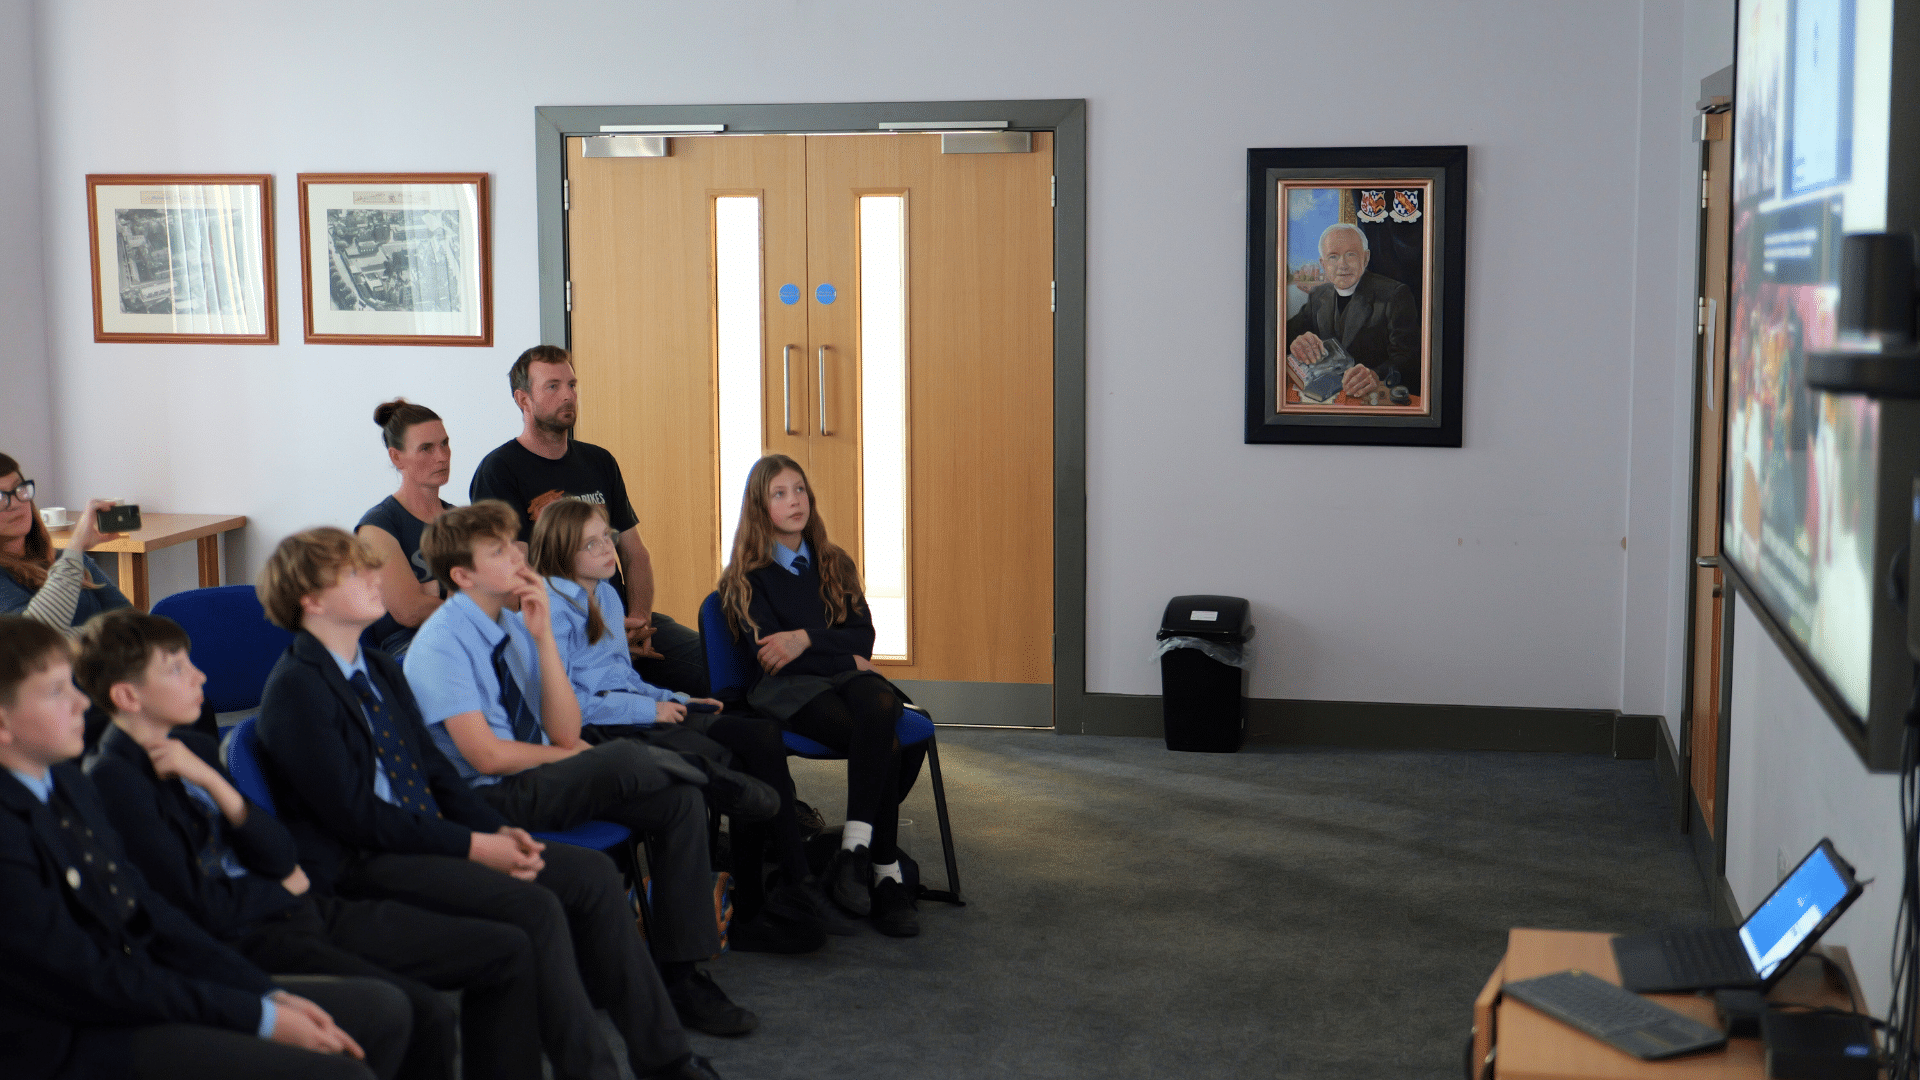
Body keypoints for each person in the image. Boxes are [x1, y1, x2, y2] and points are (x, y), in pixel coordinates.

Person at [252, 527, 725, 1080]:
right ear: (311, 600)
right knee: (536, 908)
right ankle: (592, 1071)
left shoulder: (377, 667)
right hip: (365, 866)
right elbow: (358, 819)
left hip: (426, 836)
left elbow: (436, 773)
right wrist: (473, 844)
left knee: (593, 874)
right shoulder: (296, 688)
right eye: (355, 573)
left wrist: (493, 832)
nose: (376, 578)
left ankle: (664, 1059)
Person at [78, 608, 541, 1080]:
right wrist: (284, 888)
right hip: (254, 935)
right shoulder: (115, 783)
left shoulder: (193, 750)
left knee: (504, 950)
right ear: (127, 695)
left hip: (302, 908)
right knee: (425, 1015)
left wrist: (217, 788)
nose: (199, 676)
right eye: (176, 669)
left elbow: (279, 852)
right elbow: (198, 907)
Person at [405, 502, 773, 1034]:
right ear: (463, 576)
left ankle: (681, 977)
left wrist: (544, 639)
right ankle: (713, 778)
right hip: (485, 797)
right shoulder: (441, 644)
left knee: (678, 802)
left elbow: (562, 726)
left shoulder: (514, 621)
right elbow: (487, 756)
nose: (518, 555)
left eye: (514, 543)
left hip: (533, 775)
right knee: (619, 756)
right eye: (499, 550)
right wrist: (572, 756)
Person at [0, 615, 410, 1080]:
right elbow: (90, 978)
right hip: (69, 1040)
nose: (80, 703)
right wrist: (257, 1016)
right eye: (56, 692)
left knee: (381, 1009)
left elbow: (145, 909)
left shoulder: (66, 782)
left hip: (137, 985)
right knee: (339, 1072)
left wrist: (266, 995)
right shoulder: (25, 819)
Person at [528, 497, 837, 952]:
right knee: (730, 757)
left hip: (634, 707)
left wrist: (675, 698)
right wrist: (649, 711)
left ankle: (779, 887)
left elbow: (624, 677)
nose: (607, 551)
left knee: (757, 733)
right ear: (561, 554)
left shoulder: (608, 596)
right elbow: (568, 706)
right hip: (599, 728)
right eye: (590, 545)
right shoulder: (552, 610)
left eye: (606, 539)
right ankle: (764, 895)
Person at [717, 455, 926, 938]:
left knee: (882, 702)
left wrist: (807, 640)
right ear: (759, 507)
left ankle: (853, 853)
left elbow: (864, 640)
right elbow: (774, 658)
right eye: (779, 494)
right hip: (789, 690)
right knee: (885, 741)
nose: (795, 502)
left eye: (800, 491)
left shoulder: (834, 562)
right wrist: (838, 654)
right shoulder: (746, 579)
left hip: (840, 678)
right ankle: (885, 870)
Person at [468, 345, 707, 696]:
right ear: (523, 399)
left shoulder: (599, 461)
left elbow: (635, 554)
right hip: (566, 631)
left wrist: (638, 622)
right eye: (553, 386)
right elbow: (512, 577)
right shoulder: (499, 471)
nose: (568, 395)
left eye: (572, 385)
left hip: (623, 618)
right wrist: (597, 632)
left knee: (723, 668)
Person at [356, 400, 455, 659]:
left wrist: (433, 590)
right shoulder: (378, 525)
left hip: (469, 633)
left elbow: (507, 593)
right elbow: (409, 611)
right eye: (426, 448)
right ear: (396, 457)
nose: (442, 456)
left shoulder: (462, 519)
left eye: (444, 443)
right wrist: (466, 591)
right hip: (413, 647)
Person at [1283, 222, 1421, 398]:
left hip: (1372, 398)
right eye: (1333, 257)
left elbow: (1409, 359)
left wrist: (1376, 375)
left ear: (1365, 258)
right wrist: (1296, 343)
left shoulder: (1394, 295)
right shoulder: (1318, 295)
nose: (1342, 265)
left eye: (1351, 254)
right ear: (1323, 264)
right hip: (1325, 398)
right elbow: (1283, 335)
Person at [0, 451, 130, 635]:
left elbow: (129, 619)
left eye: (19, 489)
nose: (14, 503)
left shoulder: (64, 558)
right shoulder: (71, 557)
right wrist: (76, 544)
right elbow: (34, 640)